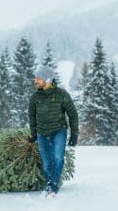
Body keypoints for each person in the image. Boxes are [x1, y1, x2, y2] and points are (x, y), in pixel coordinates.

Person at [28, 66, 79, 196]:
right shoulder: (35, 97)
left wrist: (74, 134)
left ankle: (53, 185)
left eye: (39, 79)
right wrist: (34, 134)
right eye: (36, 78)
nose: (36, 81)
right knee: (46, 163)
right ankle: (51, 183)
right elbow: (32, 117)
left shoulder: (62, 94)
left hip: (59, 131)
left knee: (58, 158)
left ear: (48, 79)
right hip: (42, 133)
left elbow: (72, 114)